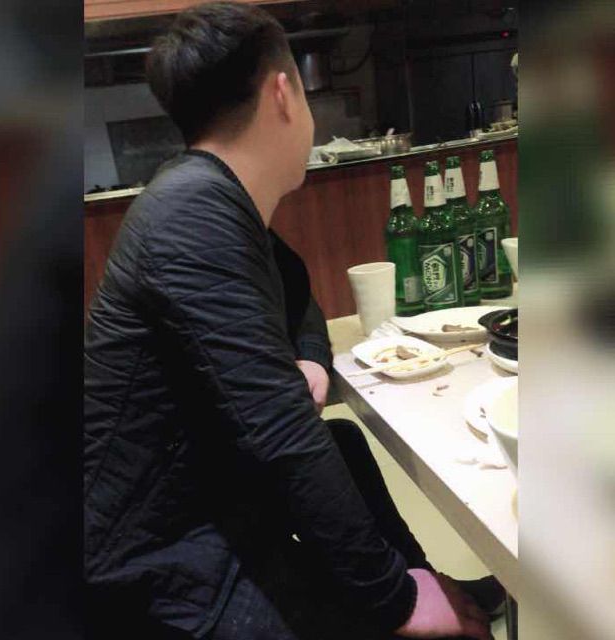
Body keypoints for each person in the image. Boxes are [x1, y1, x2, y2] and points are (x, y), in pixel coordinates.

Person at [84, 3, 503, 639]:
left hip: (213, 495)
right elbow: (279, 432)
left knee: (346, 446)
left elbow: (299, 296)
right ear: (284, 93)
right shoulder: (190, 212)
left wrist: (309, 358)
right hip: (154, 554)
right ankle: (415, 599)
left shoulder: (213, 196)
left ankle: (425, 582)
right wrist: (392, 603)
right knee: (374, 581)